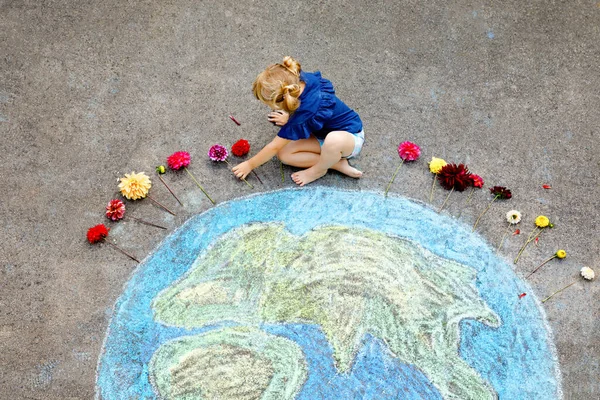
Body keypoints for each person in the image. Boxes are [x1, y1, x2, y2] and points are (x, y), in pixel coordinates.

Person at [232, 56, 364, 186]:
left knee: (333, 140)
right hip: (322, 134)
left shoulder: (305, 113)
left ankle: (318, 170)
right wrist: (290, 119)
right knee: (284, 155)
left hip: (350, 138)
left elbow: (274, 146)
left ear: (282, 98)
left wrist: (249, 165)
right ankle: (335, 163)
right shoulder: (300, 80)